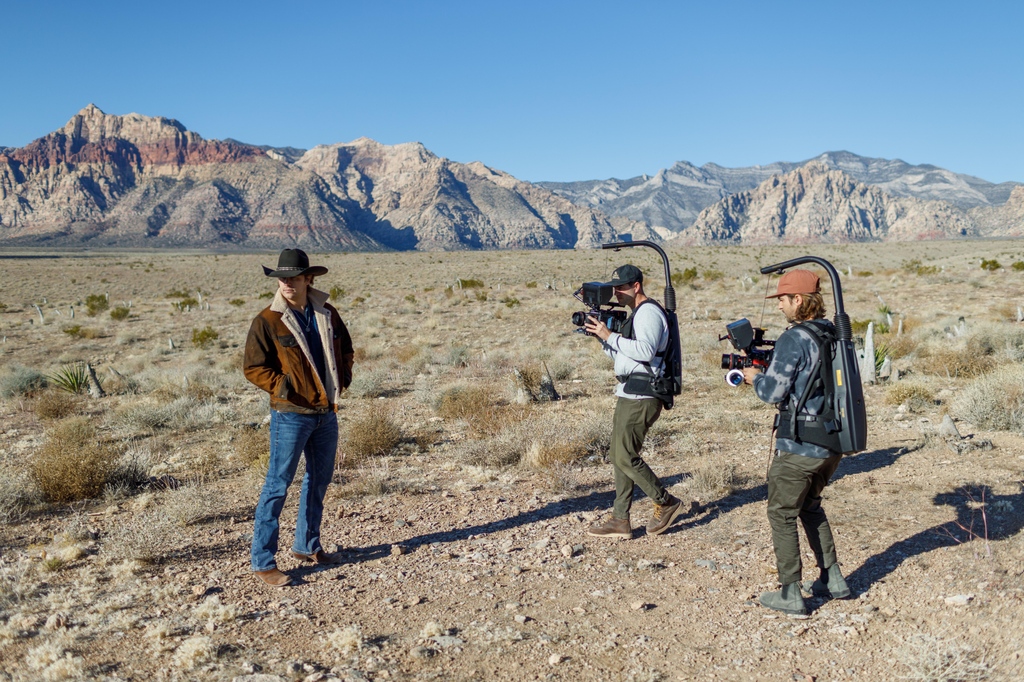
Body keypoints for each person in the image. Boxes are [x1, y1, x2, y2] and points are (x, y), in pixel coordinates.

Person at [742, 269, 851, 615]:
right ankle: (832, 578)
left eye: (783, 301)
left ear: (799, 300)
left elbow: (773, 392)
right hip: (832, 442)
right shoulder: (831, 332)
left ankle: (790, 593)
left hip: (801, 444)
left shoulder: (794, 338)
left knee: (781, 513)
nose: (779, 308)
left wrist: (756, 377)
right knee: (810, 505)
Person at [243, 248, 354, 587]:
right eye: (282, 278)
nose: (287, 283)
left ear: (309, 279)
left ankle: (307, 546)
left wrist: (343, 379)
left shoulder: (327, 312)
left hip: (326, 412)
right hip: (291, 415)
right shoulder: (268, 319)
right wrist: (284, 387)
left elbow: (346, 349)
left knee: (318, 482)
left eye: (293, 277)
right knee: (277, 486)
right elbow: (253, 367)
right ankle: (263, 562)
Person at [584, 264, 684, 539]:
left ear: (636, 286)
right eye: (614, 287)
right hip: (630, 391)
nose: (615, 292)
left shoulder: (649, 312)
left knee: (625, 456)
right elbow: (624, 356)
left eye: (620, 287)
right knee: (619, 457)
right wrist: (602, 339)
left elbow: (645, 351)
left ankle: (665, 502)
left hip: (643, 394)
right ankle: (620, 519)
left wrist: (609, 335)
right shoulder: (636, 315)